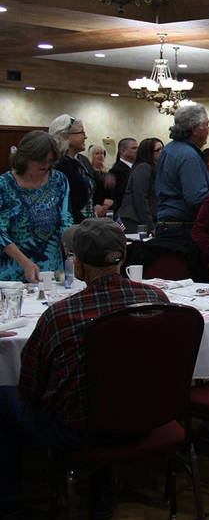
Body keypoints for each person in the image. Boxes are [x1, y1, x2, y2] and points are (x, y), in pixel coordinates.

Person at [0, 218, 167, 517]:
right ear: (123, 256)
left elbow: (30, 388)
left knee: (3, 396)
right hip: (151, 418)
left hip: (80, 431)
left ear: (77, 266)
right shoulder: (156, 300)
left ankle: (11, 498)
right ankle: (101, 482)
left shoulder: (62, 315)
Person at [0, 131, 72, 282]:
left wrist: (73, 252)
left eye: (50, 160)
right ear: (25, 157)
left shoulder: (59, 180)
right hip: (13, 270)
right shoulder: (5, 184)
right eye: (40, 160)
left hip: (52, 269)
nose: (46, 165)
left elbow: (65, 220)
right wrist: (25, 262)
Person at [154, 103, 209, 241]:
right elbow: (196, 198)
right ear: (194, 129)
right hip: (183, 229)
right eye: (206, 125)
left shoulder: (169, 149)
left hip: (166, 224)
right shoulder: (189, 156)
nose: (208, 129)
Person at [49, 114, 97, 223]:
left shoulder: (82, 160)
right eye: (82, 133)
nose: (85, 137)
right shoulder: (57, 164)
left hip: (87, 224)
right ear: (65, 135)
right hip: (72, 227)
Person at [116, 137, 163, 233]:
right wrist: (151, 226)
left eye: (163, 148)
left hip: (143, 220)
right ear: (149, 153)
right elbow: (140, 199)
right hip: (133, 221)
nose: (162, 152)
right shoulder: (144, 168)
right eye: (158, 150)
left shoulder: (156, 169)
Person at [108, 137, 137, 212]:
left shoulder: (136, 168)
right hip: (124, 212)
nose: (137, 151)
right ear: (123, 151)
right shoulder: (116, 170)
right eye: (134, 148)